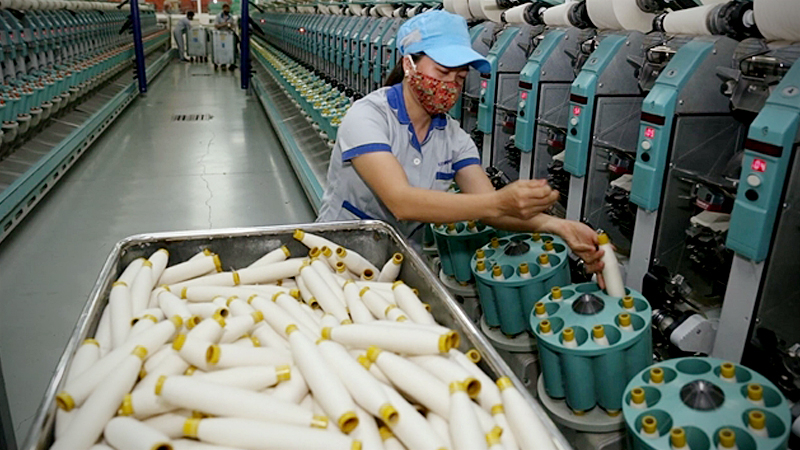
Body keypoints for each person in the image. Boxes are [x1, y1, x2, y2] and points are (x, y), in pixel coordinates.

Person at [316, 10, 607, 279]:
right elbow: (401, 202)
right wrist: (498, 202)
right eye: (442, 73)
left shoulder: (453, 137)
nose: (450, 85)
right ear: (409, 65)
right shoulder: (368, 116)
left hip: (399, 263)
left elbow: (493, 208)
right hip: (338, 257)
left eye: (459, 78)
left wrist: (558, 226)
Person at [214, 3, 237, 70]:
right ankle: (222, 63)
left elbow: (233, 25)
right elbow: (216, 25)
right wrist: (224, 24)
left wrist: (231, 25)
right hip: (220, 35)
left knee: (229, 49)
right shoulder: (218, 16)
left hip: (229, 35)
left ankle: (230, 62)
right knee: (221, 49)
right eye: (226, 9)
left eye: (228, 9)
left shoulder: (230, 16)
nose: (227, 10)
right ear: (223, 9)